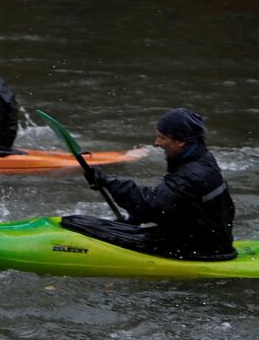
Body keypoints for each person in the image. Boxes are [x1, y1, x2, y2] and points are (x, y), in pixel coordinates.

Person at [62, 108, 237, 261]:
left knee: (76, 223)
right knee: (83, 222)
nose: (157, 143)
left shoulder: (193, 174)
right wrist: (133, 221)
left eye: (162, 137)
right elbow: (176, 206)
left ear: (181, 141)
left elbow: (150, 205)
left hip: (198, 250)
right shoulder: (203, 159)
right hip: (208, 241)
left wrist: (107, 182)